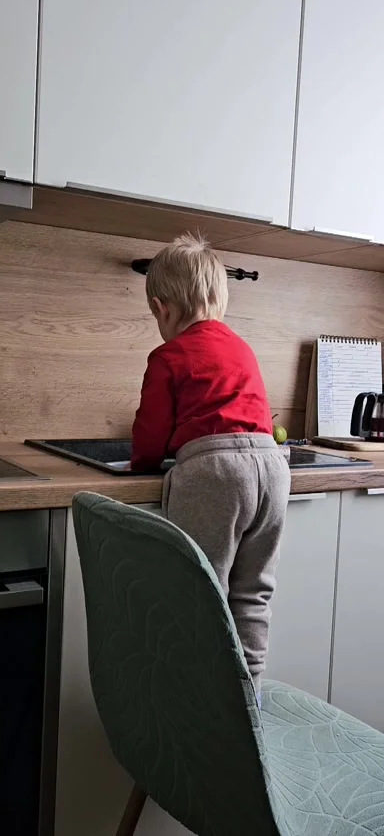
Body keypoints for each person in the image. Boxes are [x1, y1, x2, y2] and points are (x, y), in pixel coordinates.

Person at [131, 232, 291, 704]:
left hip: (216, 471)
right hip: (272, 469)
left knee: (202, 595)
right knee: (252, 593)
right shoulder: (242, 347)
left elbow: (150, 435)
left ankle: (198, 709)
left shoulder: (167, 356)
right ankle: (248, 703)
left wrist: (143, 463)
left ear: (162, 308)